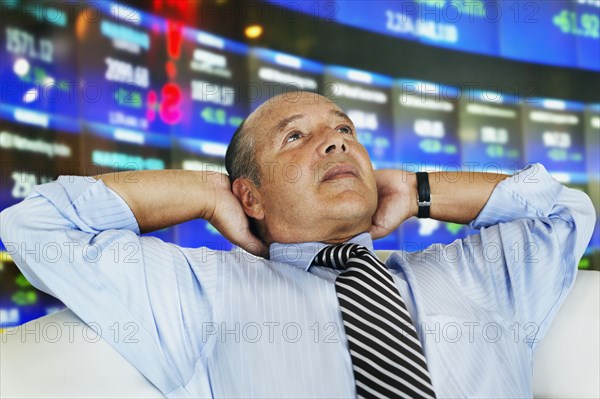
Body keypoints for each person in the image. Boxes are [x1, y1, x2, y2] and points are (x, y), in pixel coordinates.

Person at [0, 91, 595, 398]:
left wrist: (419, 190)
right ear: (250, 197)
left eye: (344, 131)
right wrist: (205, 192)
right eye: (295, 137)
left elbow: (563, 210)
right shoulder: (200, 290)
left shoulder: (476, 273)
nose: (336, 144)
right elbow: (36, 226)